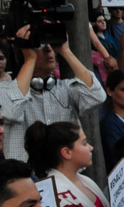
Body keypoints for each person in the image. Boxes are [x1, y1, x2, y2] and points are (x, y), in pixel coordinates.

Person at [0, 25, 106, 161]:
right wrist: (30, 60)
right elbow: (11, 112)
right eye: (40, 46)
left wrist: (65, 51)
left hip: (65, 171)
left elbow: (97, 96)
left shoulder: (65, 88)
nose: (49, 49)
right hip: (26, 172)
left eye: (51, 45)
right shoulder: (4, 89)